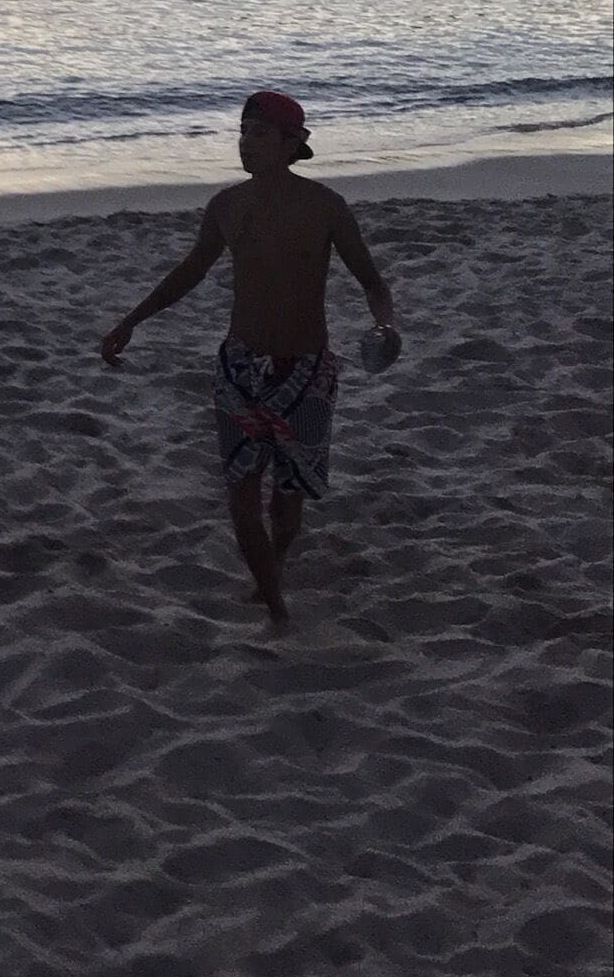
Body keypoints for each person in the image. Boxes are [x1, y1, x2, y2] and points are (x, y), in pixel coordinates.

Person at [99, 91, 398, 628]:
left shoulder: (326, 206)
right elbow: (190, 272)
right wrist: (132, 320)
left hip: (306, 371)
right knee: (241, 493)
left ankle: (274, 571)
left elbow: (372, 282)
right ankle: (277, 607)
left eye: (259, 133)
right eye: (242, 132)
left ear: (291, 143)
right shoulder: (226, 206)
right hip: (239, 368)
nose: (246, 143)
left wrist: (385, 325)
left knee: (287, 499)